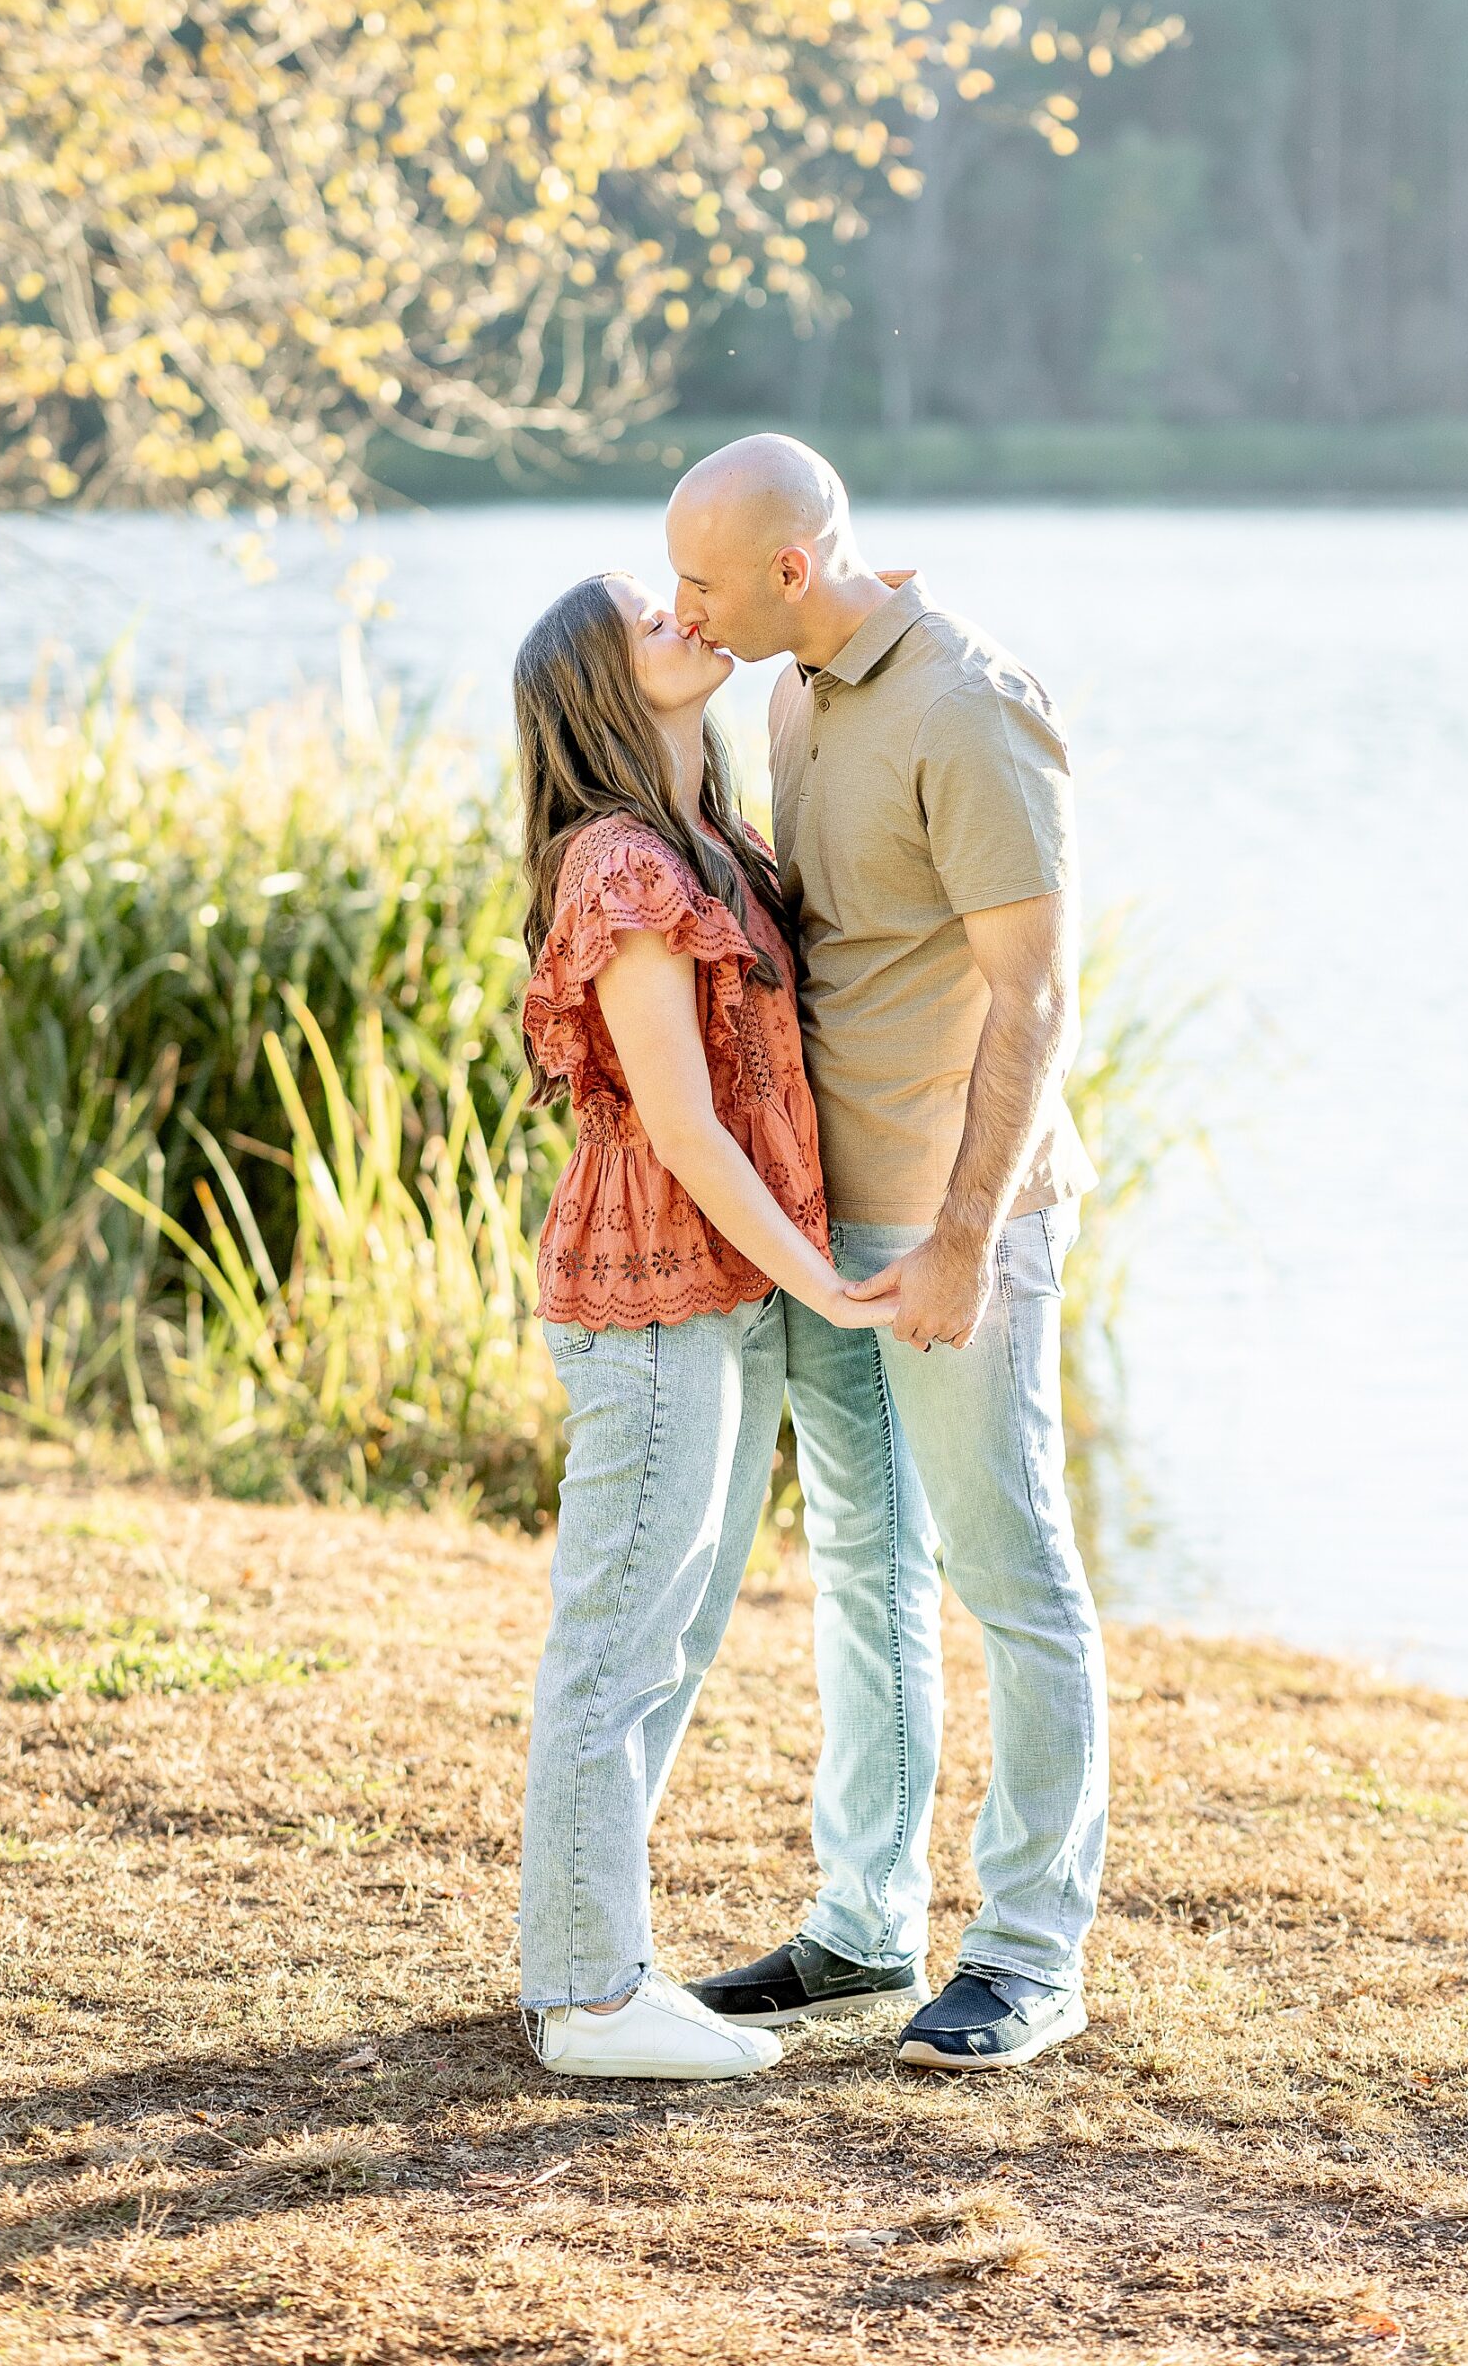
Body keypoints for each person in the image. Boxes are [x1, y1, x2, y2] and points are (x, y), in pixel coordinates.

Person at [667, 435, 1107, 2073]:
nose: (681, 608)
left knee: (1014, 1572)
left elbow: (1037, 999)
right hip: (822, 1228)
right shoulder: (797, 690)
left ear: (793, 570)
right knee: (863, 1562)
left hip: (950, 1225)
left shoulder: (972, 704)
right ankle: (864, 1929)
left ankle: (1030, 1954)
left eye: (704, 579)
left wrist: (966, 1241)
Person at [511, 569, 896, 2083]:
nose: (686, 618)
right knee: (614, 1643)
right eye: (646, 620)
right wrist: (820, 1277)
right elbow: (679, 1120)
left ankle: (586, 1965)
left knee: (658, 1639)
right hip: (655, 1291)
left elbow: (817, 672)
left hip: (711, 1294)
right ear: (604, 686)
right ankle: (593, 1998)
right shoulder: (621, 867)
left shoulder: (702, 839)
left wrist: (868, 601)